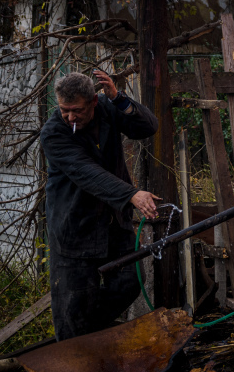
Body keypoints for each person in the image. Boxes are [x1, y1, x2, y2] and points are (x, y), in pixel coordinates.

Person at [40, 69, 162, 340]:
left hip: (112, 224)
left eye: (77, 110)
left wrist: (119, 99)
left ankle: (87, 335)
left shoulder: (107, 108)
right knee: (73, 307)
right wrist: (131, 194)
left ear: (94, 101)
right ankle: (74, 350)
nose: (70, 117)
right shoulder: (54, 133)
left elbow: (147, 127)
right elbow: (86, 172)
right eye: (64, 110)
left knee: (129, 283)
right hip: (74, 228)